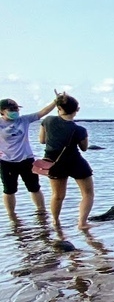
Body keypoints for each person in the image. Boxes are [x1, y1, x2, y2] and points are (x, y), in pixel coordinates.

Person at [1, 93, 61, 221]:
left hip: (26, 159)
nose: (15, 111)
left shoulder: (24, 120)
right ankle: (12, 217)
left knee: (34, 187)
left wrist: (56, 101)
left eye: (17, 109)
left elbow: (42, 112)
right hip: (6, 161)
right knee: (9, 190)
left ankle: (42, 213)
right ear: (2, 111)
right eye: (11, 109)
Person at [39, 94, 94, 229]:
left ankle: (56, 222)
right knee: (87, 193)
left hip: (54, 162)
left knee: (57, 195)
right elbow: (84, 148)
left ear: (59, 108)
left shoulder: (48, 120)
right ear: (77, 109)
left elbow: (42, 140)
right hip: (75, 162)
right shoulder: (79, 129)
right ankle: (82, 223)